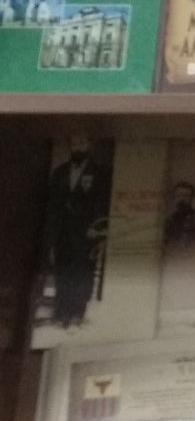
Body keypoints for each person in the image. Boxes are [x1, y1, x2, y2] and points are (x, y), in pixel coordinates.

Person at [43, 135, 112, 329]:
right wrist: (52, 232)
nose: (78, 147)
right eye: (74, 143)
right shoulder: (60, 172)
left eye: (81, 143)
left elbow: (103, 202)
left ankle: (77, 312)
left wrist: (96, 227)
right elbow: (52, 204)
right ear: (70, 146)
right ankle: (61, 311)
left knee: (82, 271)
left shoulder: (100, 172)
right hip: (62, 231)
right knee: (62, 270)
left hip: (85, 232)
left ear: (89, 144)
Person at [163, 180, 195, 250]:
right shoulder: (169, 220)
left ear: (192, 198)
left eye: (186, 195)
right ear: (174, 198)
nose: (182, 198)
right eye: (179, 195)